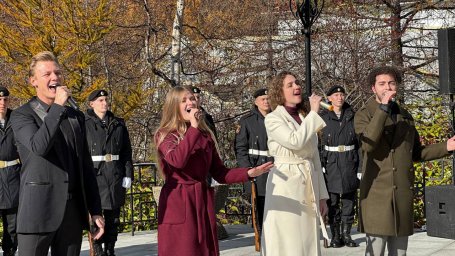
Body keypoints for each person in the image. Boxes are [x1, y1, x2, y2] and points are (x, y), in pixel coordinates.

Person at [154, 86, 273, 256]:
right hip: (178, 202)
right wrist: (193, 129)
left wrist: (248, 173)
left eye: (192, 99)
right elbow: (177, 160)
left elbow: (220, 172)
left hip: (201, 200)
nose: (191, 102)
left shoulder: (204, 135)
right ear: (174, 106)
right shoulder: (165, 134)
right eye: (184, 100)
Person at [10, 51, 105, 256]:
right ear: (33, 81)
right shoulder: (21, 115)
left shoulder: (75, 117)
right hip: (37, 211)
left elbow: (85, 166)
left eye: (58, 72)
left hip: (71, 211)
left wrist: (95, 209)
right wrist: (58, 107)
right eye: (47, 74)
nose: (55, 78)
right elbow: (39, 146)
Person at [354, 66, 455, 256]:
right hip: (376, 195)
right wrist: (383, 108)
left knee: (400, 253)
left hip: (401, 194)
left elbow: (416, 153)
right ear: (373, 88)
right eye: (382, 84)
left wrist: (446, 147)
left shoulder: (405, 117)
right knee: (375, 252)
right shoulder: (363, 114)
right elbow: (368, 144)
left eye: (391, 83)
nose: (387, 87)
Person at [261, 71, 329, 256]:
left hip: (308, 183)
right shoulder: (273, 119)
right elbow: (294, 141)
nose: (296, 86)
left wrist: (322, 195)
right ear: (279, 92)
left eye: (297, 83)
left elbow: (314, 158)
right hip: (287, 185)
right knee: (290, 240)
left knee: (307, 240)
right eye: (289, 85)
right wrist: (314, 114)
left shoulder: (304, 117)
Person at [85, 89, 133, 256]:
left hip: (114, 174)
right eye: (100, 100)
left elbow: (126, 152)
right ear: (91, 104)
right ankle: (97, 250)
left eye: (106, 99)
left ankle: (110, 250)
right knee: (95, 218)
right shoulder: (84, 123)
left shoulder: (118, 123)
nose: (104, 103)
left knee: (113, 218)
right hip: (95, 176)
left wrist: (128, 174)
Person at [320, 85, 359, 248]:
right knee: (333, 201)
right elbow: (317, 144)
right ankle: (335, 235)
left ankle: (347, 234)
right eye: (335, 95)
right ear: (329, 98)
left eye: (342, 94)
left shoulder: (352, 115)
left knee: (349, 200)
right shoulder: (322, 117)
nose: (339, 98)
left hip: (349, 160)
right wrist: (321, 165)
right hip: (331, 163)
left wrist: (361, 166)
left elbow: (360, 144)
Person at [235, 88, 272, 238]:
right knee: (260, 205)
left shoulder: (277, 118)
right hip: (256, 167)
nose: (266, 102)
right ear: (256, 102)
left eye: (268, 98)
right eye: (262, 99)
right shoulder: (247, 121)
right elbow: (240, 148)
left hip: (274, 165)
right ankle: (262, 234)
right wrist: (247, 170)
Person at [0, 86, 20, 256]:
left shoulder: (16, 119)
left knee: (12, 225)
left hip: (13, 177)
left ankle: (10, 252)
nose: (2, 103)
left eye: (5, 99)